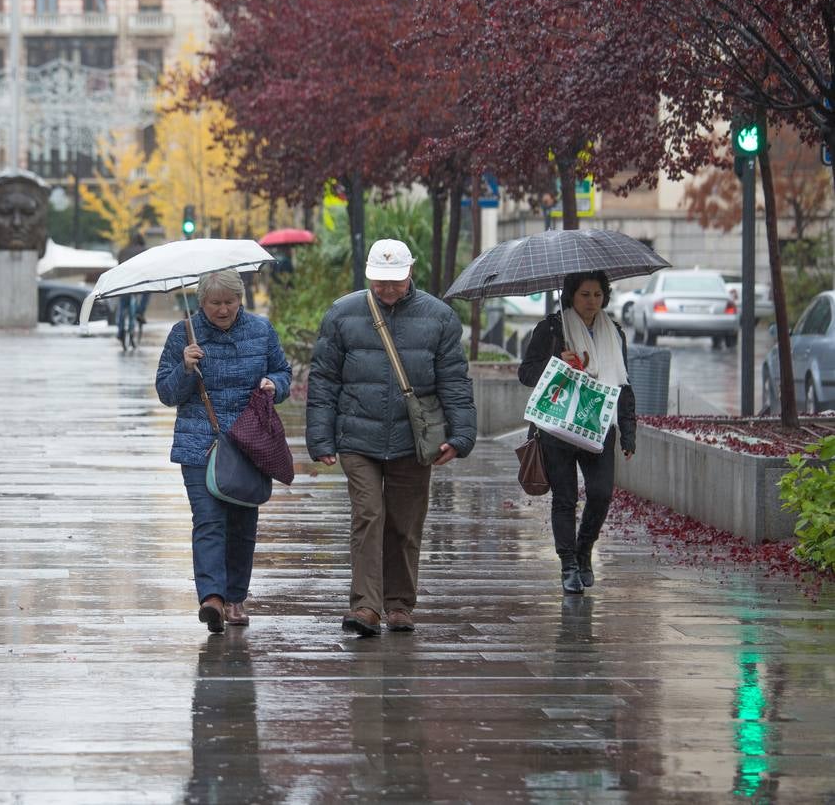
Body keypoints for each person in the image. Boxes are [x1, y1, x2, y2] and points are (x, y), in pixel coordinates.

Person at [306, 239, 476, 636]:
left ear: (410, 273)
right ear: (368, 275)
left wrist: (462, 434)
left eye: (395, 282)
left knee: (404, 523)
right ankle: (366, 606)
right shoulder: (343, 314)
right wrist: (321, 437)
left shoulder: (440, 318)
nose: (387, 290)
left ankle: (399, 604)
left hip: (413, 439)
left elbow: (454, 381)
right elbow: (324, 379)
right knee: (368, 515)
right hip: (357, 435)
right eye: (380, 282)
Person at [156, 270, 292, 633]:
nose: (223, 310)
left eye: (229, 302)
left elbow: (283, 372)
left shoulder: (261, 331)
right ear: (201, 302)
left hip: (249, 442)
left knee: (243, 524)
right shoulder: (183, 334)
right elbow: (166, 393)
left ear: (240, 299)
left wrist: (273, 384)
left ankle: (235, 599)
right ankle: (211, 599)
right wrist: (185, 367)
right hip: (199, 444)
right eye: (215, 303)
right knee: (209, 521)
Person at [518, 270, 636, 594]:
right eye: (585, 294)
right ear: (571, 295)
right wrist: (557, 361)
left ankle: (584, 550)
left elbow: (623, 384)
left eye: (597, 295)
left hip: (599, 424)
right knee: (565, 498)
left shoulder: (616, 333)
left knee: (601, 493)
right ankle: (568, 565)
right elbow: (526, 373)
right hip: (557, 426)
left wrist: (628, 431)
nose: (591, 302)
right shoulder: (552, 329)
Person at [116, 232, 150, 342]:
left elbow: (119, 265)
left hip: (124, 282)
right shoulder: (145, 250)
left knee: (123, 306)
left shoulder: (123, 251)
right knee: (147, 291)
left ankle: (120, 330)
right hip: (139, 282)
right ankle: (140, 312)